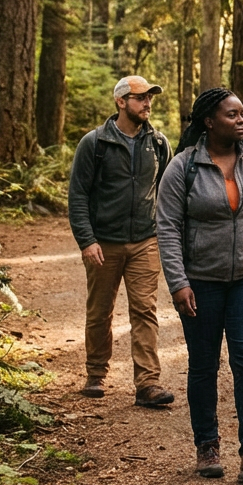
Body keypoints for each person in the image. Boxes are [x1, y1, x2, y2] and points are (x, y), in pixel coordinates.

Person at [156, 88, 243, 484]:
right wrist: (179, 282)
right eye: (232, 115)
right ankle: (207, 447)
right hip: (202, 281)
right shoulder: (184, 167)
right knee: (203, 364)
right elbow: (167, 228)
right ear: (209, 121)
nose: (242, 121)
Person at [66, 75, 176, 407]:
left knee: (145, 310)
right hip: (104, 242)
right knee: (100, 311)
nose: (147, 103)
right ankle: (96, 373)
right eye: (140, 98)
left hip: (145, 240)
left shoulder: (158, 142)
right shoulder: (94, 143)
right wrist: (87, 240)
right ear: (121, 101)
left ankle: (147, 383)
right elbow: (78, 195)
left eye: (149, 98)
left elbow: (166, 190)